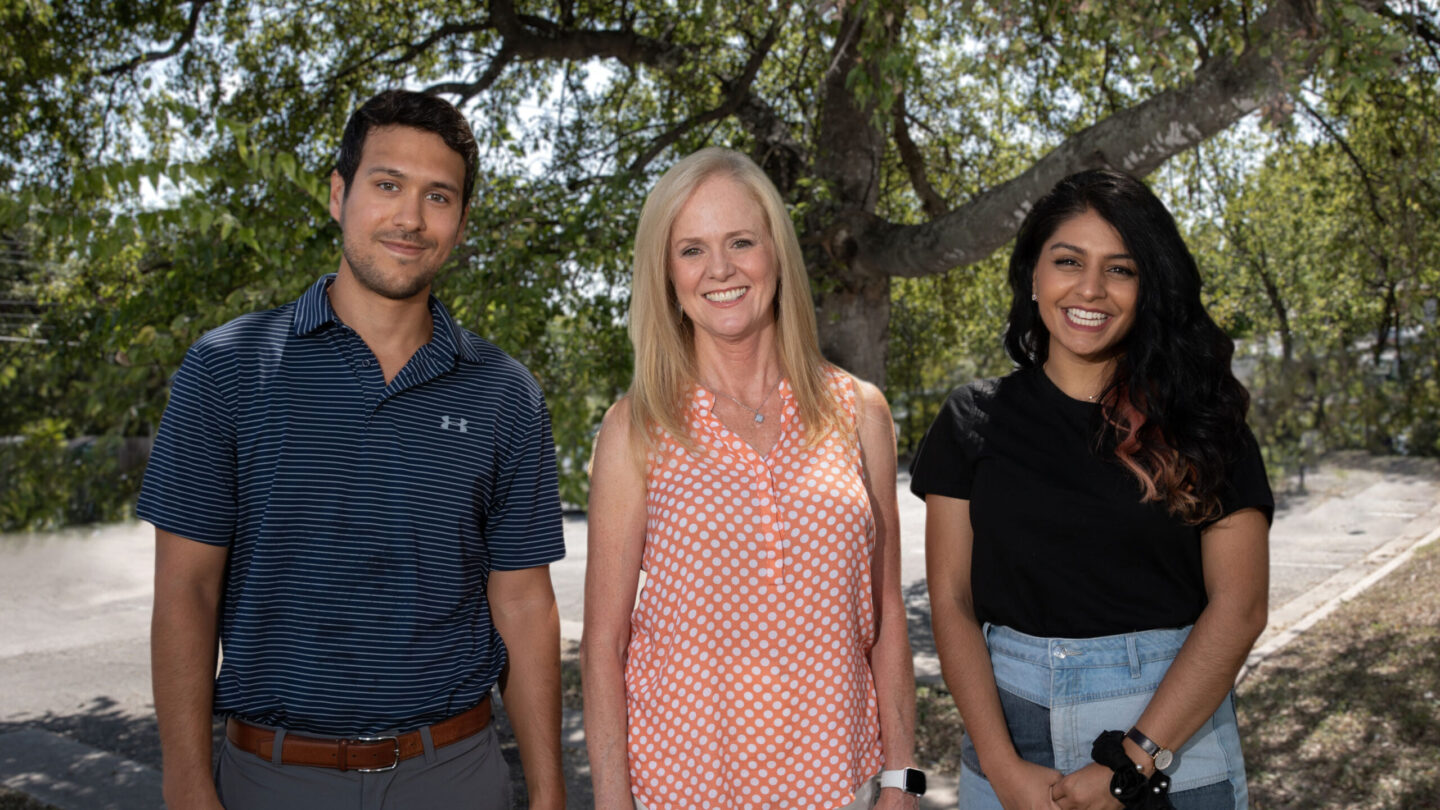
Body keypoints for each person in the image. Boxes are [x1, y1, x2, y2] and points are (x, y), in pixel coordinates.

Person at [139, 89, 567, 810]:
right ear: (339, 195)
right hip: (271, 778)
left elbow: (524, 605)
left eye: (439, 196)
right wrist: (186, 782)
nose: (410, 217)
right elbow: (186, 590)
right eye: (387, 184)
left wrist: (551, 793)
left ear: (461, 223)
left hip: (456, 776)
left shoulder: (506, 393)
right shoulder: (227, 367)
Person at [912, 168, 1272, 810]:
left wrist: (1133, 762)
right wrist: (1001, 769)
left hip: (1171, 741)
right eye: (1068, 261)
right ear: (1034, 273)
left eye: (1121, 269)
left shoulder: (1205, 421)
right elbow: (952, 601)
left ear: (1148, 286)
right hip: (1009, 740)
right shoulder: (972, 420)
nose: (1090, 289)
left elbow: (1239, 608)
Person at [581, 147, 926, 810]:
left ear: (776, 253)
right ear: (665, 273)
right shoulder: (636, 428)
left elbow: (885, 621)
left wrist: (901, 780)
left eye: (741, 241)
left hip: (843, 788)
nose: (720, 269)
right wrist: (611, 803)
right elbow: (605, 644)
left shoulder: (860, 412)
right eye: (691, 250)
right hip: (681, 793)